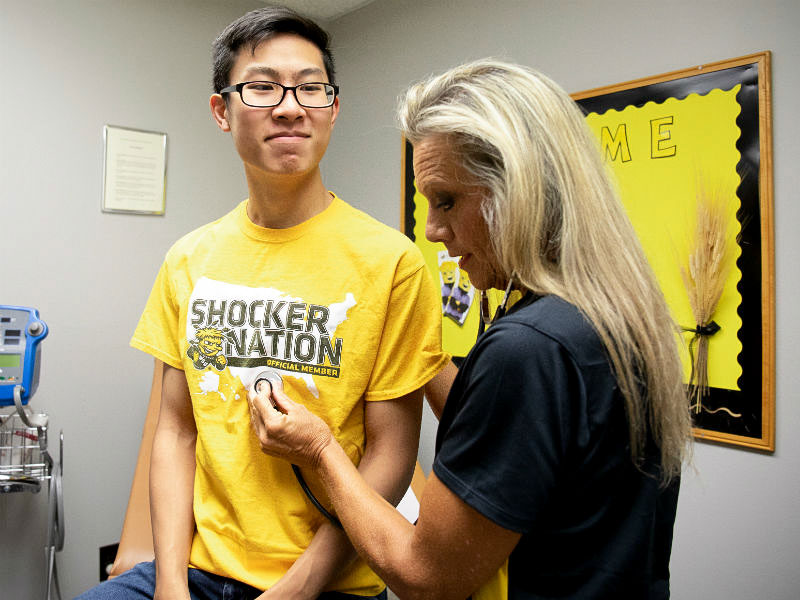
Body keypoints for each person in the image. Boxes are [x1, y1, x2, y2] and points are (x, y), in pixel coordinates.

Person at [248, 59, 693, 600]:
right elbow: (520, 441)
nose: (432, 231)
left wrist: (320, 449)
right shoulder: (613, 319)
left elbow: (425, 576)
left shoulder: (528, 350)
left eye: (448, 200)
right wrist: (425, 355)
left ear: (519, 187)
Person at [77, 6, 448, 600]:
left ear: (333, 107)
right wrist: (171, 582)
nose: (290, 106)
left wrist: (296, 589)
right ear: (222, 110)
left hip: (329, 583)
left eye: (310, 87)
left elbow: (394, 455)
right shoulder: (188, 260)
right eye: (263, 86)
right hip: (198, 573)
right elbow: (174, 432)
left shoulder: (392, 262)